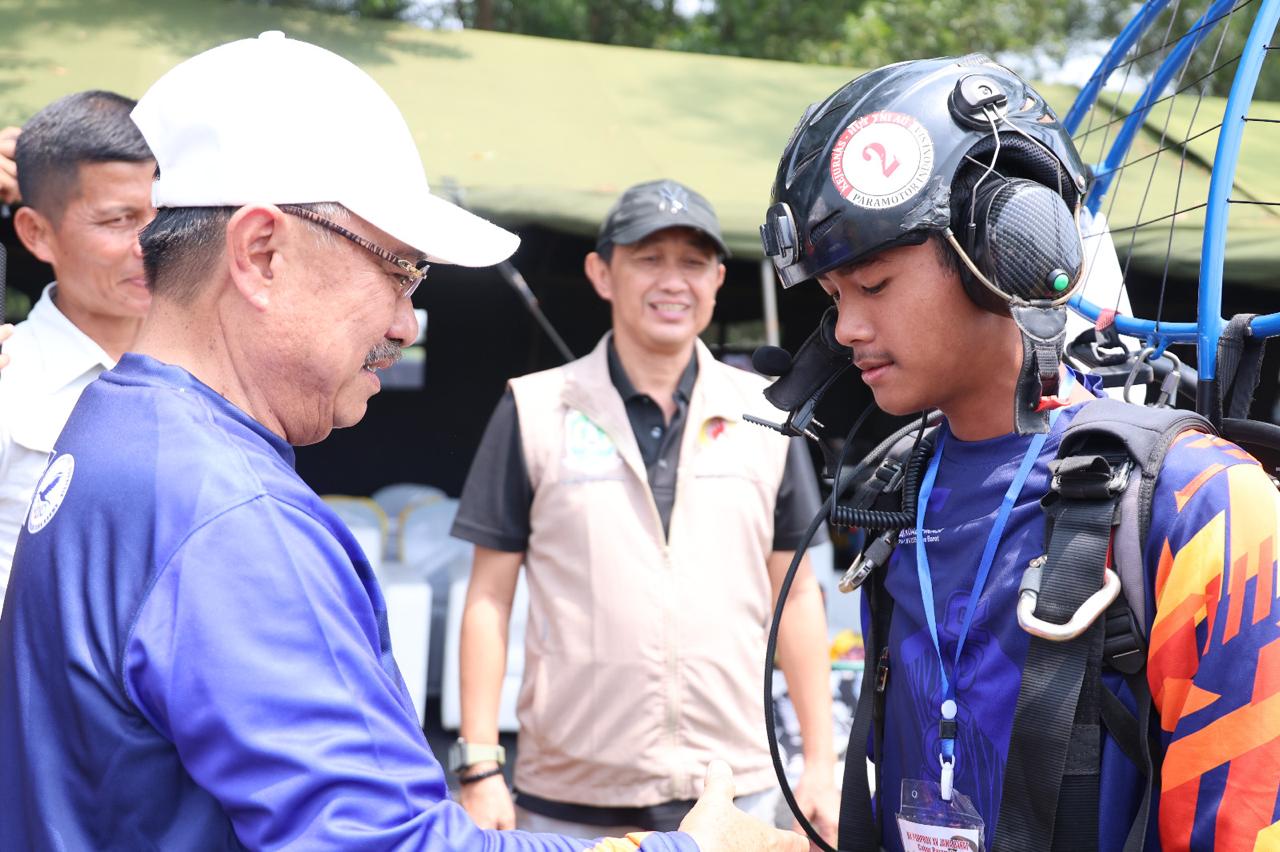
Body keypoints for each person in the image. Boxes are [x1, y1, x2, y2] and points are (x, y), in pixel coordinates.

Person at [0, 33, 805, 852]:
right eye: (398, 270)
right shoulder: (229, 516)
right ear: (261, 253)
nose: (405, 323)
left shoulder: (116, 429)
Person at [759, 55, 1280, 851]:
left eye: (874, 285)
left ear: (1004, 250)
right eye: (835, 301)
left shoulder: (1200, 504)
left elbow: (1241, 824)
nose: (848, 331)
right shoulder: (897, 491)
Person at [451, 179, 839, 841]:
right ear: (602, 273)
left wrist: (822, 760)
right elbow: (488, 597)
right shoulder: (534, 408)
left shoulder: (765, 417)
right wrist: (480, 765)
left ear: (718, 279)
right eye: (648, 258)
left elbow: (797, 595)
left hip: (732, 790)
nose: (673, 281)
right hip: (565, 798)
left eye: (693, 262)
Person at [0, 92, 155, 602]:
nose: (150, 243)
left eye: (164, 215)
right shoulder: (9, 376)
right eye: (119, 219)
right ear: (37, 234)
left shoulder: (217, 375)